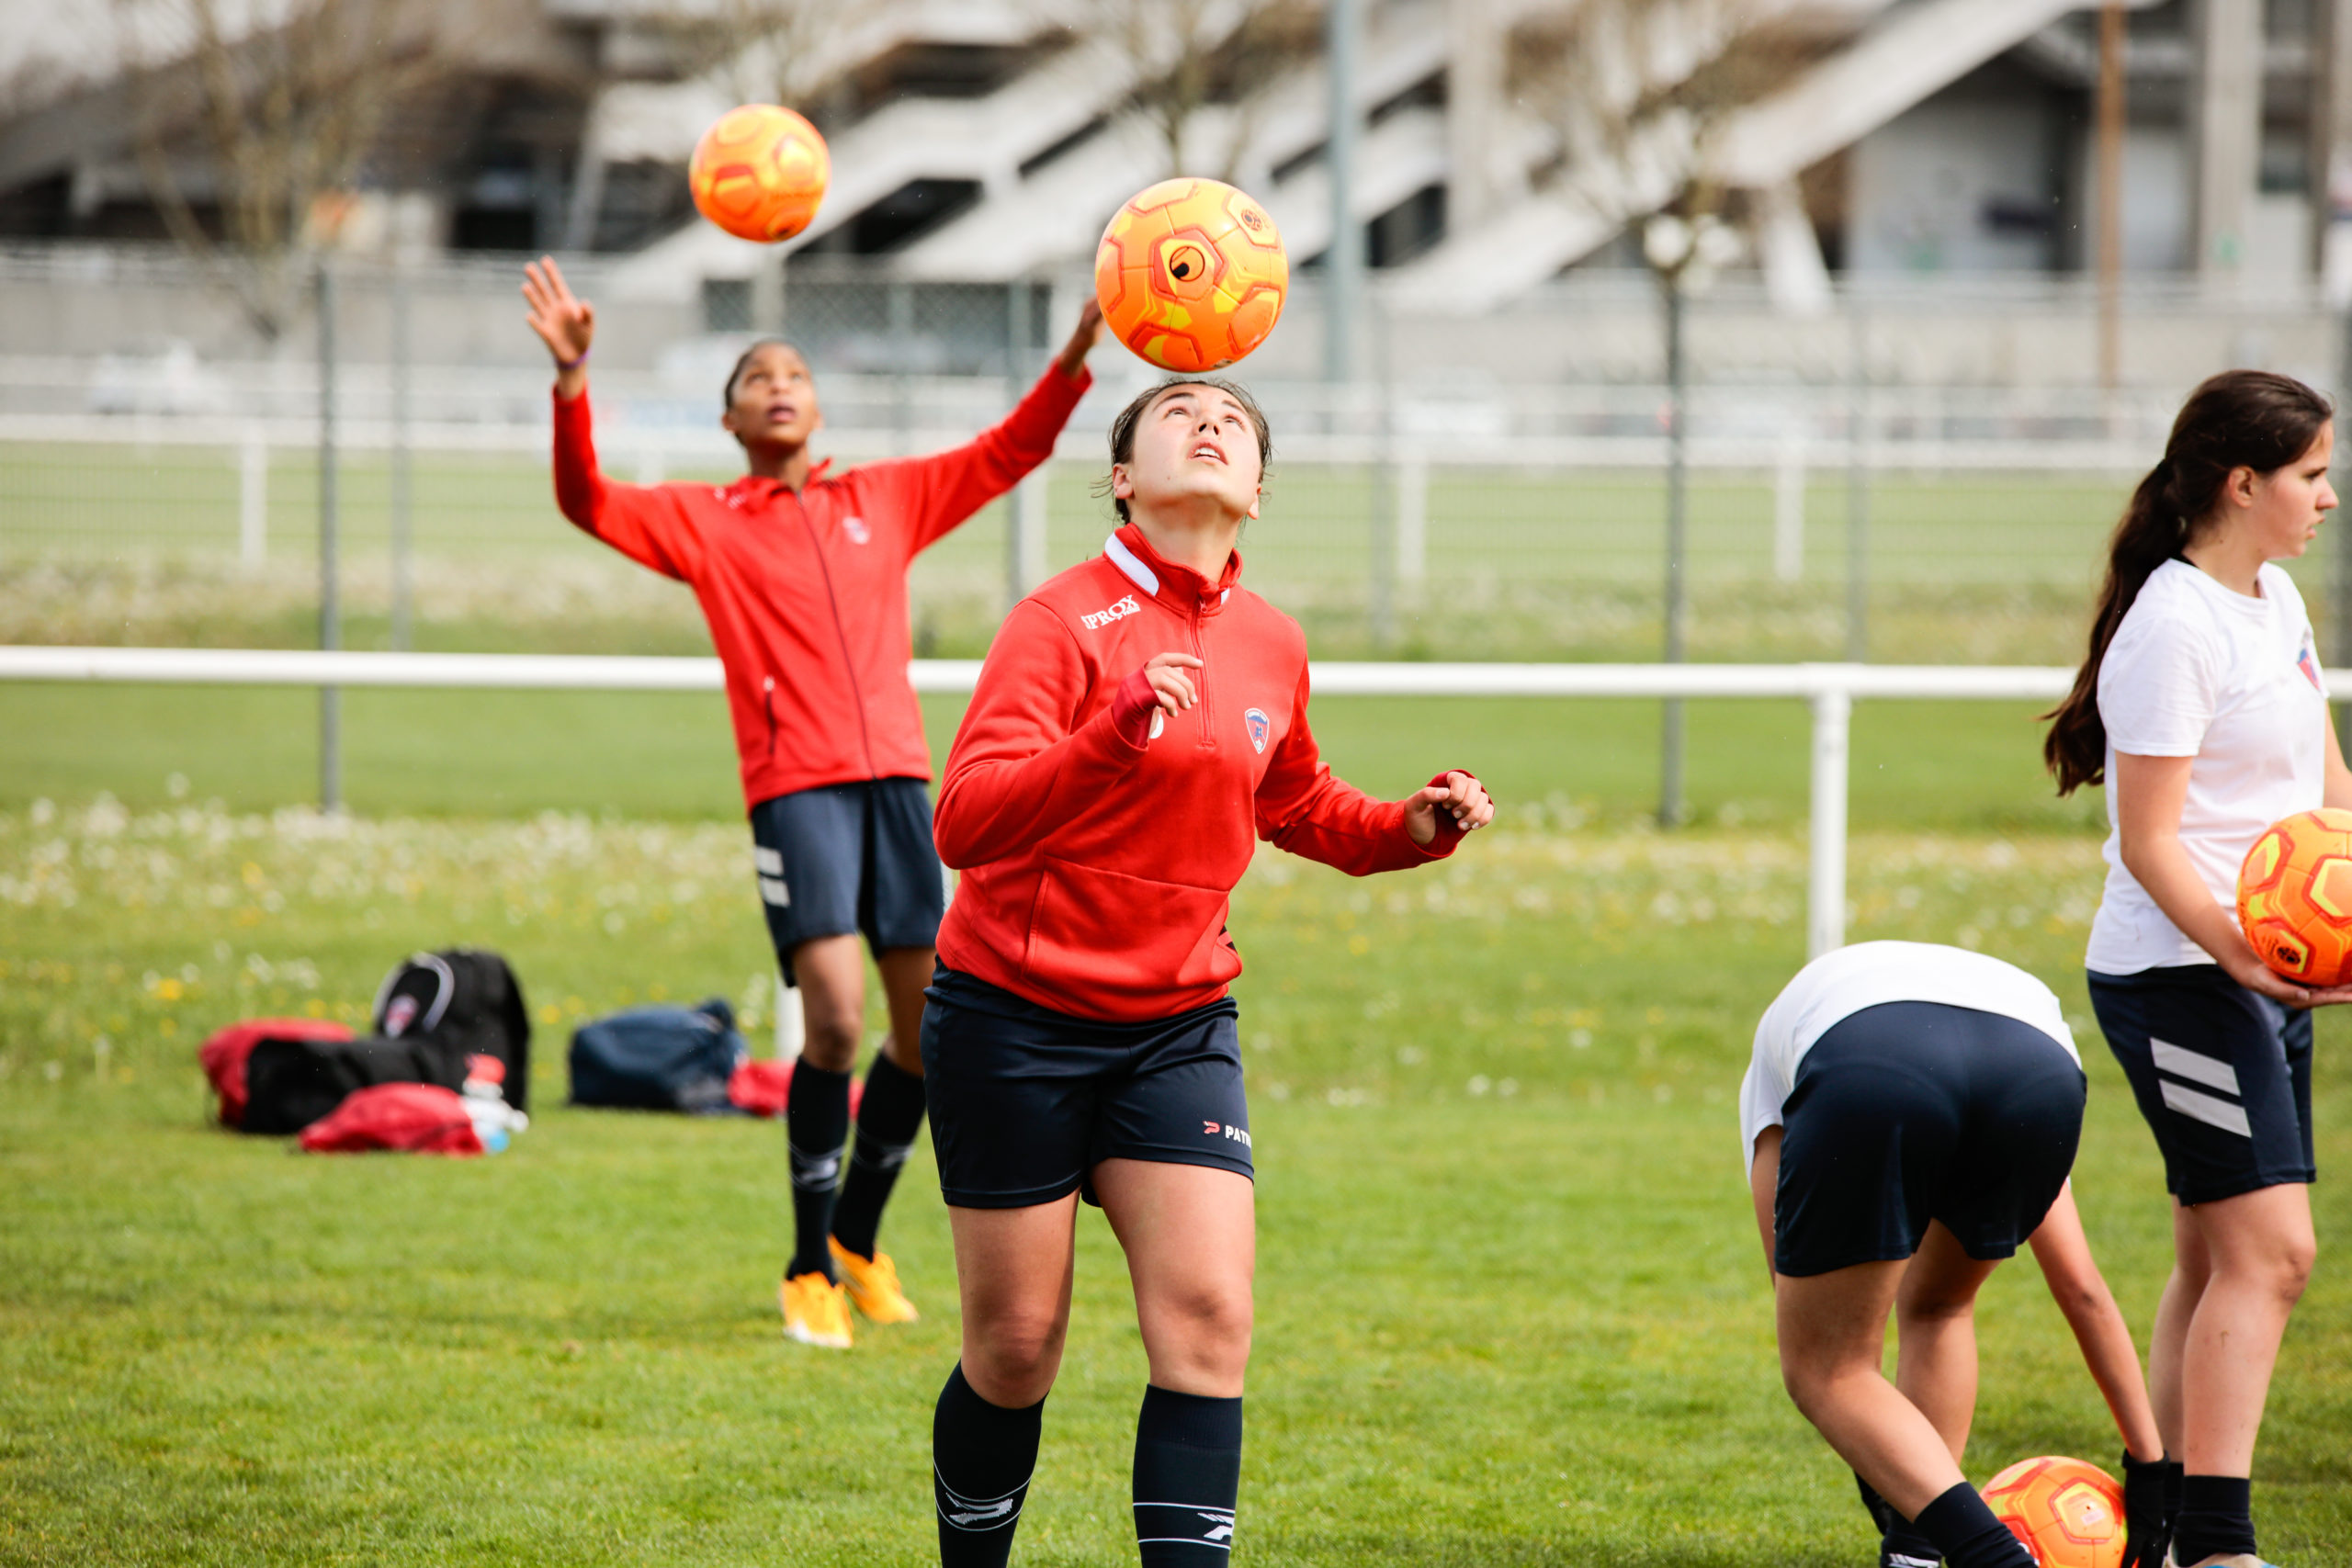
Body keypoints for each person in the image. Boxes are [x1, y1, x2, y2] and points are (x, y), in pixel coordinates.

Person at [918, 376, 1493, 1567]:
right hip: (1010, 1019)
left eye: (1234, 418)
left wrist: (1407, 826)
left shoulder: (1272, 640)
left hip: (1176, 1023)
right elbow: (965, 821)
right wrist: (1109, 733)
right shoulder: (1057, 620)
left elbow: (1298, 800)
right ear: (1123, 475)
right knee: (1017, 1346)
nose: (1211, 420)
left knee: (1210, 1320)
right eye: (1176, 410)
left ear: (1259, 492)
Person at [521, 255, 1106, 1350]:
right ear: (731, 418)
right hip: (796, 795)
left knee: (928, 1036)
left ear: (817, 404)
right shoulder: (705, 521)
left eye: (795, 370)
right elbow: (584, 499)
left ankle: (856, 1241)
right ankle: (803, 1267)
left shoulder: (879, 497)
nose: (780, 383)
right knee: (834, 1021)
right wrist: (571, 383)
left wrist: (1073, 360)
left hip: (899, 787)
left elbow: (1007, 453)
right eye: (757, 376)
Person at [2042, 368, 2346, 1568]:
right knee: (2276, 1251)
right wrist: (2241, 953)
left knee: (2215, 1254)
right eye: (2313, 473)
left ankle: (2164, 1529)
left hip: (2268, 969)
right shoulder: (2171, 624)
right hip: (2180, 974)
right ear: (2243, 481)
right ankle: (2220, 1541)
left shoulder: (2274, 601)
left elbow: (2329, 793)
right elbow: (2150, 838)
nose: (2329, 496)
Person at [1742, 940, 2172, 1568]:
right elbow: (2081, 1286)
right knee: (1941, 1305)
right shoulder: (1996, 1026)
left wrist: (1877, 1449)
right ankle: (1913, 1555)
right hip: (2039, 1066)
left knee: (1825, 1368)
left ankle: (1996, 1559)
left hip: (1870, 1051)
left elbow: (1794, 1289)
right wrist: (2151, 1465)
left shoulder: (1767, 1079)